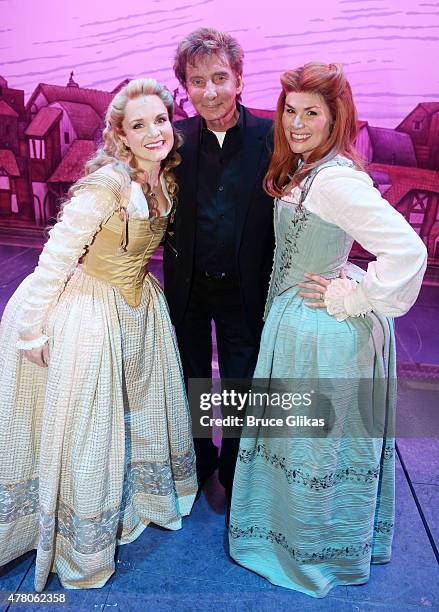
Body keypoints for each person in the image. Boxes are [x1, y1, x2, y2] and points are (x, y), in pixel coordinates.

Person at [229, 63, 427, 597]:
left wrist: (353, 294)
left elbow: (409, 250)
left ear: (336, 116)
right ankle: (302, 539)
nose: (296, 123)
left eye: (311, 113)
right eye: (290, 111)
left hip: (323, 333)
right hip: (299, 327)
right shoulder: (309, 168)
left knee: (314, 448)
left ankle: (313, 550)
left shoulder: (335, 179)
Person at [0, 78, 197, 591]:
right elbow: (55, 259)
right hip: (90, 309)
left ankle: (133, 501)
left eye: (160, 120)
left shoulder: (166, 180)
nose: (154, 132)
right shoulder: (104, 187)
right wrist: (31, 330)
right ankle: (73, 531)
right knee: (91, 423)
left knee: (135, 412)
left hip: (138, 308)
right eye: (138, 125)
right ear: (120, 134)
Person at [163, 28, 274, 506]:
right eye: (197, 81)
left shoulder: (271, 137)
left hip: (245, 290)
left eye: (219, 78)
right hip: (187, 288)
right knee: (192, 381)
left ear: (240, 79)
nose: (209, 91)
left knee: (240, 384)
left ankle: (233, 472)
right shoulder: (174, 141)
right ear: (185, 88)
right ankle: (198, 462)